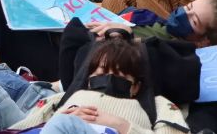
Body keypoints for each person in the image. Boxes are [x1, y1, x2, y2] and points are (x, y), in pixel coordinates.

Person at [12, 38, 189, 133]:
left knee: (63, 122)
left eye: (120, 75)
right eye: (100, 74)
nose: (108, 80)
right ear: (89, 80)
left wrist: (121, 125)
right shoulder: (64, 99)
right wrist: (53, 120)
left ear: (136, 86)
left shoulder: (157, 104)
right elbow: (18, 128)